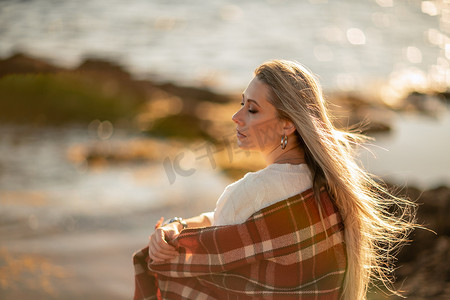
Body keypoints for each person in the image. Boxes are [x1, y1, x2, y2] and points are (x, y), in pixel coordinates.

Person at [134, 60, 415, 300]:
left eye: (252, 109)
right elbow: (231, 220)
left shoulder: (248, 193)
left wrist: (172, 234)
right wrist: (181, 225)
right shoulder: (328, 185)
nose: (236, 117)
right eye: (241, 104)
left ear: (287, 123)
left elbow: (214, 239)